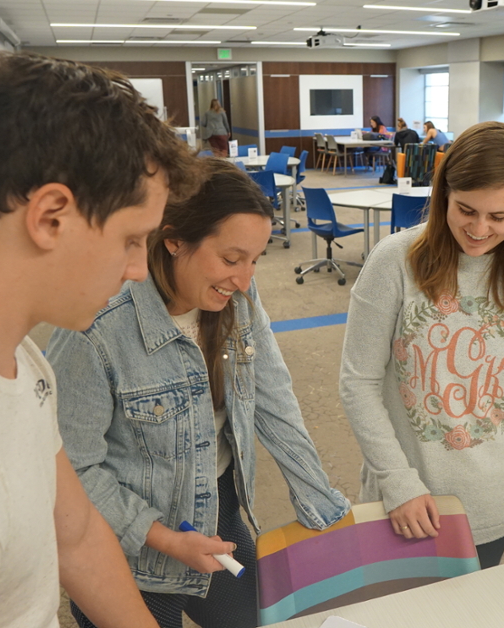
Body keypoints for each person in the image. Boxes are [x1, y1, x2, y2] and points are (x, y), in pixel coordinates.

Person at [0, 50, 200, 627]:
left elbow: (74, 536)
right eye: (132, 239)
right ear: (51, 216)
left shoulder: (17, 358)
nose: (136, 270)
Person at [47, 159, 350, 628]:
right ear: (173, 239)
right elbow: (74, 469)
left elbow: (274, 401)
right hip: (129, 552)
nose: (245, 280)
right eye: (231, 259)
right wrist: (163, 537)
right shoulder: (96, 328)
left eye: (255, 259)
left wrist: (324, 509)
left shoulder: (239, 300)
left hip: (219, 514)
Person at [340, 121, 504, 570]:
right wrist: (398, 481)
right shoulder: (395, 260)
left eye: (499, 217)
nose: (480, 229)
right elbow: (358, 384)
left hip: (495, 502)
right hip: (404, 499)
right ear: (443, 192)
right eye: (466, 209)